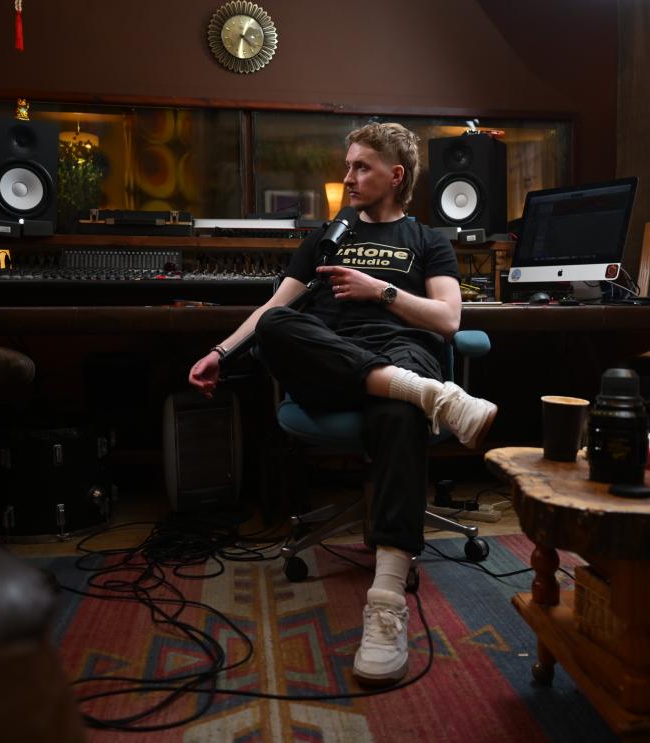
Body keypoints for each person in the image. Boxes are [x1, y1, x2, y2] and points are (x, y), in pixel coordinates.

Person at [189, 122, 498, 687]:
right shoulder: (325, 238)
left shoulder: (429, 240)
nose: (348, 176)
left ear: (395, 175)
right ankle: (432, 397)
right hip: (331, 359)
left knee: (395, 407)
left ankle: (386, 603)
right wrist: (220, 351)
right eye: (348, 165)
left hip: (402, 346)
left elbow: (449, 320)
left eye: (361, 167)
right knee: (282, 324)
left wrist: (378, 289)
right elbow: (269, 312)